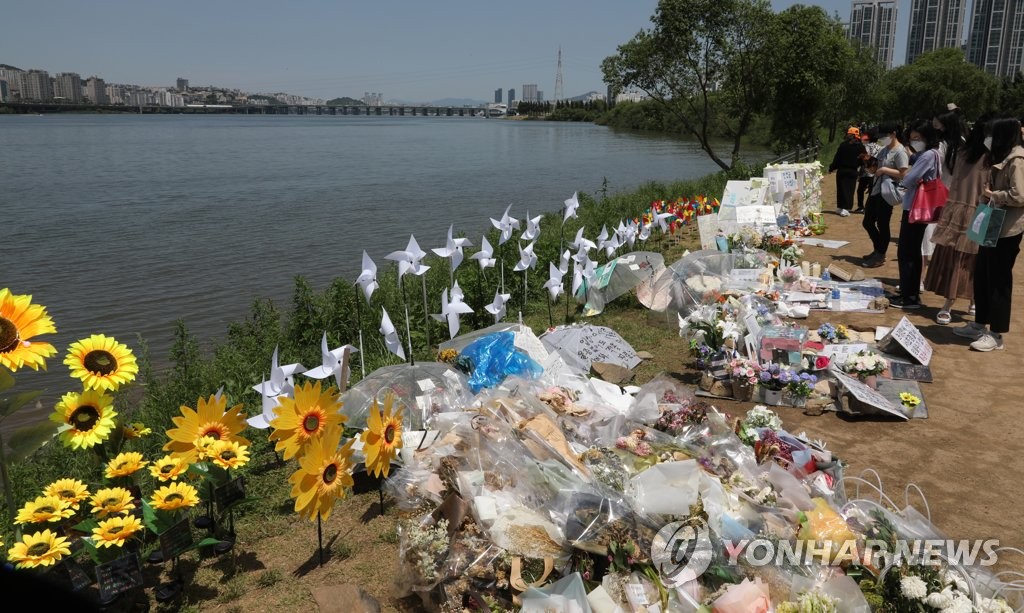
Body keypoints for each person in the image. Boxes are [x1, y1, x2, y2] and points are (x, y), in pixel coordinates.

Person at [954, 117, 1024, 351]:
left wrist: (994, 194)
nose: (988, 139)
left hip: (1007, 229)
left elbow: (1020, 195)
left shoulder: (1017, 159)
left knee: (999, 280)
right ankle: (979, 323)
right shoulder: (1003, 157)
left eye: (992, 134)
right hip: (993, 222)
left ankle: (996, 334)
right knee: (983, 274)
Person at [924, 115, 986, 324]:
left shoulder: (996, 157)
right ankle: (949, 303)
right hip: (960, 210)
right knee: (956, 257)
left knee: (977, 260)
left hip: (984, 213)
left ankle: (974, 300)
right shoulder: (963, 153)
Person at [890, 121, 943, 309]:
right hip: (917, 207)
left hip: (914, 207)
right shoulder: (933, 154)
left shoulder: (928, 155)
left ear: (928, 137)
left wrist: (908, 178)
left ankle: (909, 296)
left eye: (918, 138)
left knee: (907, 252)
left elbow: (910, 178)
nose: (915, 141)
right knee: (910, 251)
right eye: (912, 138)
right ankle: (908, 293)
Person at [862, 122, 909, 268]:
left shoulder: (900, 151)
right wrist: (871, 165)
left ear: (893, 134)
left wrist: (883, 170)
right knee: (867, 222)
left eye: (884, 136)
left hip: (887, 192)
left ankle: (880, 255)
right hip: (876, 190)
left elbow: (903, 173)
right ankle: (878, 250)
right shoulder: (884, 149)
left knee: (883, 224)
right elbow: (877, 165)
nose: (881, 138)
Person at [828, 127, 867, 217]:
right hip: (853, 171)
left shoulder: (843, 145)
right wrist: (862, 169)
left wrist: (832, 168)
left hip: (842, 170)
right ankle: (845, 208)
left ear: (849, 135)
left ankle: (841, 207)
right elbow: (864, 160)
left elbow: (837, 158)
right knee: (850, 189)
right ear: (856, 136)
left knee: (841, 188)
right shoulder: (861, 146)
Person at [855, 129, 880, 213]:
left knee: (860, 190)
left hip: (865, 172)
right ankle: (869, 207)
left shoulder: (864, 146)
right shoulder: (879, 147)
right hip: (874, 172)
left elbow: (860, 158)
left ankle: (860, 206)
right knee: (871, 191)